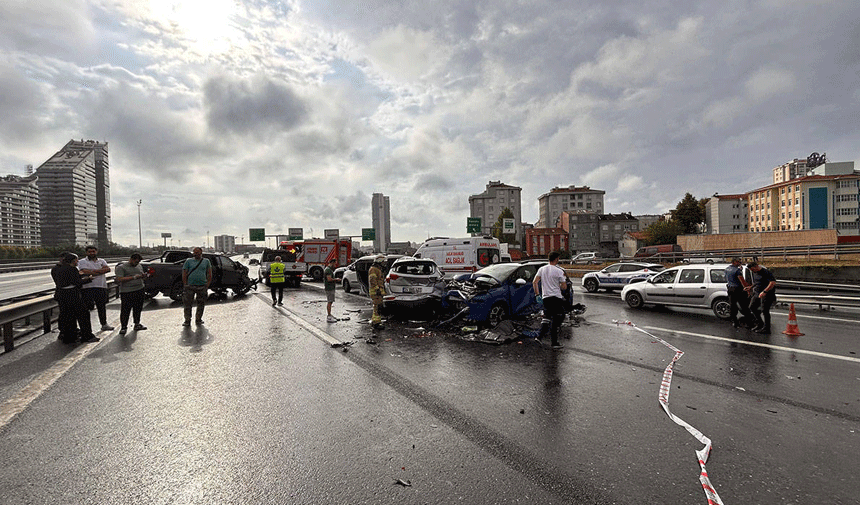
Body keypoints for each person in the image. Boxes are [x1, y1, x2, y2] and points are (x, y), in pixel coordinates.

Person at [51, 252, 98, 344]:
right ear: (73, 261)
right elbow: (76, 282)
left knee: (68, 317)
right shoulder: (72, 269)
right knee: (83, 315)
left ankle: (69, 337)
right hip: (72, 295)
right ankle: (87, 336)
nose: (78, 261)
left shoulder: (56, 269)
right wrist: (88, 279)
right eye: (77, 260)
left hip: (62, 294)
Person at [533, 251, 569, 350]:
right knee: (558, 318)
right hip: (556, 298)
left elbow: (535, 282)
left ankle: (539, 337)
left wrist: (537, 295)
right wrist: (561, 285)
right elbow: (564, 287)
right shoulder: (559, 271)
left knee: (547, 317)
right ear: (557, 259)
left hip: (546, 298)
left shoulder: (542, 269)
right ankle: (554, 342)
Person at [77, 245, 114, 331]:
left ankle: (104, 324)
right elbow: (83, 272)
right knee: (86, 309)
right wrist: (100, 271)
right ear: (86, 252)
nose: (92, 253)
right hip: (87, 288)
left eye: (93, 251)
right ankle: (86, 328)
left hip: (101, 286)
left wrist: (92, 272)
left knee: (102, 307)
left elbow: (108, 269)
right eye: (89, 252)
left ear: (96, 252)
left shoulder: (102, 260)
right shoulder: (82, 261)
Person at [115, 253, 148, 335]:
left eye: (138, 262)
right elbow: (119, 279)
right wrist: (134, 277)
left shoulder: (139, 266)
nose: (136, 263)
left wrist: (144, 276)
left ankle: (137, 324)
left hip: (139, 289)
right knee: (125, 310)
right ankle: (124, 327)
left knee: (138, 308)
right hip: (127, 291)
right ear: (131, 259)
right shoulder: (121, 267)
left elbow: (141, 275)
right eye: (135, 262)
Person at [182, 247, 212, 326]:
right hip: (190, 286)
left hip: (202, 286)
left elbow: (209, 273)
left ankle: (198, 319)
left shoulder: (206, 261)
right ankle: (187, 320)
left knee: (201, 304)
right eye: (194, 252)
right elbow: (184, 273)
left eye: (197, 252)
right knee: (187, 305)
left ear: (201, 252)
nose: (196, 254)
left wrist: (207, 284)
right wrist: (185, 284)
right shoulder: (188, 261)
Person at [746, 261, 777, 334]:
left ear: (756, 266)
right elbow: (757, 282)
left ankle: (767, 328)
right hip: (757, 293)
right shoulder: (755, 272)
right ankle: (760, 323)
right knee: (752, 307)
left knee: (765, 311)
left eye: (753, 269)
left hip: (767, 294)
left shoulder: (766, 272)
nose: (752, 271)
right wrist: (751, 287)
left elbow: (772, 282)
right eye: (751, 270)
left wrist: (765, 291)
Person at [725, 257, 753, 328]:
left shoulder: (727, 269)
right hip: (738, 289)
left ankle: (734, 322)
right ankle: (749, 323)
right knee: (744, 306)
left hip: (730, 288)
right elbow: (742, 280)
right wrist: (747, 289)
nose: (740, 263)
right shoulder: (737, 270)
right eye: (738, 262)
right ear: (734, 262)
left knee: (732, 305)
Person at [367, 255, 385, 339]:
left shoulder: (377, 269)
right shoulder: (373, 269)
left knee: (377, 306)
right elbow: (372, 280)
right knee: (377, 307)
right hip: (375, 291)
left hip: (377, 290)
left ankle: (376, 321)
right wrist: (377, 289)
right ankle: (376, 323)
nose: (383, 263)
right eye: (382, 262)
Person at [324, 258, 338, 322]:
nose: (335, 265)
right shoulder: (328, 270)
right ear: (332, 262)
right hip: (329, 288)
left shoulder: (329, 270)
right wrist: (336, 279)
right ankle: (329, 316)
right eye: (335, 263)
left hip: (330, 287)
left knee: (331, 301)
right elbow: (329, 279)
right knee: (330, 301)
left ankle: (329, 314)